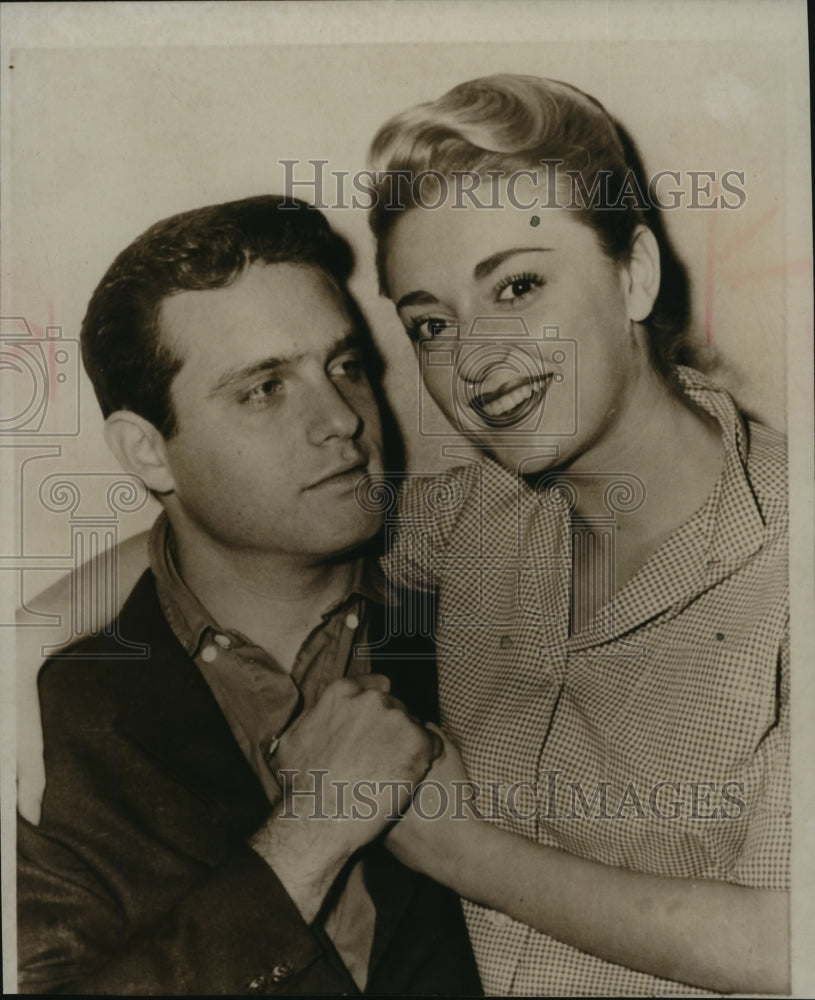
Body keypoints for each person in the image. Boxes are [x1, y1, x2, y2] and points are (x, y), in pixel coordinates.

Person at [365, 74, 790, 996]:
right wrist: (31, 627)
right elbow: (293, 520)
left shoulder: (790, 559)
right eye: (430, 323)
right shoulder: (476, 512)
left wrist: (457, 849)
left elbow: (790, 945)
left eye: (517, 285)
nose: (474, 361)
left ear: (631, 273)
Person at [16, 195, 482, 995]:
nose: (340, 418)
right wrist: (310, 837)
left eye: (343, 366)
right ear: (148, 453)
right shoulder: (64, 723)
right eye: (265, 388)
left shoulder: (487, 600)